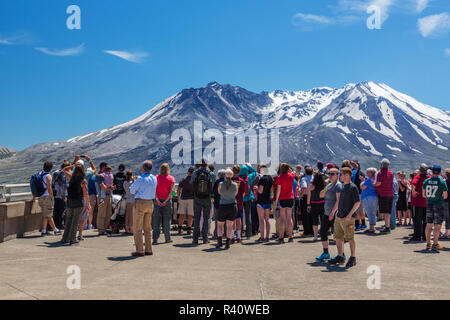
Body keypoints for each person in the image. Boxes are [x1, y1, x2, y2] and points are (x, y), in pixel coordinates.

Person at [329, 167, 360, 268]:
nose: (339, 176)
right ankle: (340, 255)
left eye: (341, 174)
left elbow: (357, 202)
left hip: (348, 218)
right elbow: (339, 201)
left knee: (350, 238)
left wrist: (350, 214)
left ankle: (353, 257)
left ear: (347, 175)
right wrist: (335, 212)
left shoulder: (353, 187)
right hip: (339, 217)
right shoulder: (342, 186)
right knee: (338, 237)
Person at [129, 160, 157, 257]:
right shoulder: (154, 178)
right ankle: (149, 249)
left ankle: (140, 250)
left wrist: (134, 181)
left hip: (140, 202)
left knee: (138, 227)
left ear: (143, 168)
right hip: (150, 202)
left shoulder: (140, 179)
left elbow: (132, 191)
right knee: (147, 227)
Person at [316, 167, 342, 261]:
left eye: (332, 174)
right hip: (326, 213)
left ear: (337, 175)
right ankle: (325, 253)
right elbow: (321, 195)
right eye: (329, 174)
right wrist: (326, 188)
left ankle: (341, 254)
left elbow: (338, 201)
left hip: (334, 214)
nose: (330, 176)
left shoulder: (338, 186)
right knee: (323, 232)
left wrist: (333, 212)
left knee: (337, 236)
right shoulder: (330, 185)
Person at [61, 166, 91, 245]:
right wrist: (88, 204)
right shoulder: (83, 181)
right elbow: (85, 193)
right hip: (78, 202)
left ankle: (65, 238)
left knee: (69, 221)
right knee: (75, 221)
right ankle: (72, 239)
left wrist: (73, 164)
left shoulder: (71, 178)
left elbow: (63, 169)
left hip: (70, 202)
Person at [422, 165, 448, 251]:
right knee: (438, 225)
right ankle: (435, 243)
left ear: (432, 172)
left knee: (429, 224)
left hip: (429, 203)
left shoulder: (426, 181)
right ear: (440, 172)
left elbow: (423, 195)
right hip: (438, 204)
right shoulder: (441, 182)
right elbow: (445, 196)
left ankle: (428, 243)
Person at [190, 159, 215, 245]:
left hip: (197, 197)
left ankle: (195, 238)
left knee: (196, 218)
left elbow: (191, 183)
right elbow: (214, 185)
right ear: (206, 165)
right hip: (207, 198)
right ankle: (205, 238)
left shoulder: (195, 173)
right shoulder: (210, 173)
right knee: (206, 218)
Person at [34, 161, 61, 236]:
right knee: (49, 214)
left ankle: (44, 230)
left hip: (40, 197)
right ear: (50, 168)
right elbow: (49, 188)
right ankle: (55, 229)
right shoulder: (48, 176)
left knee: (46, 214)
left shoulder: (40, 174)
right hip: (47, 196)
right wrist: (52, 197)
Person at [153, 163, 176, 244]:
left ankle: (155, 239)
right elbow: (172, 191)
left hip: (157, 201)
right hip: (167, 202)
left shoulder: (156, 178)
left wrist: (157, 200)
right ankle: (167, 238)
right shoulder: (171, 179)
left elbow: (154, 190)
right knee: (167, 219)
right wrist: (166, 201)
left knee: (156, 220)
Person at [216, 169, 238, 249]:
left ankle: (219, 242)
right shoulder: (235, 185)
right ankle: (227, 243)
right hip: (232, 206)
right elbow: (235, 194)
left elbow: (219, 193)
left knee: (220, 226)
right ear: (232, 176)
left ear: (225, 176)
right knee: (229, 226)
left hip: (223, 206)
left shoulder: (221, 184)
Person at [274, 163, 295, 243]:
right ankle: (290, 236)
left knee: (282, 219)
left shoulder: (279, 177)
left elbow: (278, 190)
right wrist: (289, 169)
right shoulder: (292, 176)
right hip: (290, 198)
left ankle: (281, 236)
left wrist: (276, 200)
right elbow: (293, 172)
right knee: (289, 218)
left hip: (282, 198)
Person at [410, 164, 431, 241]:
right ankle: (425, 236)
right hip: (427, 201)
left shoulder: (418, 177)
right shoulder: (429, 177)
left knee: (417, 220)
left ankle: (417, 236)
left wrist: (413, 192)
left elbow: (413, 184)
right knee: (426, 220)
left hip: (418, 201)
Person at [374, 158, 394, 234]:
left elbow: (378, 183)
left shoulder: (380, 173)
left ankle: (387, 227)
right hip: (390, 194)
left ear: (382, 165)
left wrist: (373, 184)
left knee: (385, 212)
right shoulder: (391, 173)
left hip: (383, 194)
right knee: (388, 212)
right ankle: (387, 225)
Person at [255, 164, 273, 243]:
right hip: (268, 200)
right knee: (267, 219)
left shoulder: (262, 179)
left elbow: (260, 191)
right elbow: (271, 189)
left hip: (261, 201)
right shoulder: (270, 178)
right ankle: (267, 237)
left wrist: (256, 188)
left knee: (261, 220)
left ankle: (262, 237)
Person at [96, 165, 115, 235]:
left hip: (108, 195)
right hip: (102, 196)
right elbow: (104, 187)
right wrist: (111, 187)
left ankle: (104, 229)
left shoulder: (101, 175)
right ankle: (101, 230)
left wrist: (110, 188)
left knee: (108, 213)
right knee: (102, 213)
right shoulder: (100, 177)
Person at [307, 172, 326, 241]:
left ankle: (315, 236)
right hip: (323, 203)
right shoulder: (324, 185)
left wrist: (308, 204)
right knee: (322, 220)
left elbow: (309, 196)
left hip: (314, 204)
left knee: (315, 221)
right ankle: (323, 234)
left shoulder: (312, 186)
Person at [52, 160, 70, 230]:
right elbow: (62, 186)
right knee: (61, 211)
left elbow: (54, 184)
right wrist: (64, 196)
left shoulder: (56, 173)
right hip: (61, 196)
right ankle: (60, 225)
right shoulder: (62, 174)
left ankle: (56, 225)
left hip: (55, 195)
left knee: (56, 211)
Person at [240, 164, 257, 240]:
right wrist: (249, 166)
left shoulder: (238, 178)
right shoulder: (249, 177)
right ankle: (248, 234)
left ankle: (239, 233)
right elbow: (255, 172)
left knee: (240, 216)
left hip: (240, 198)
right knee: (248, 215)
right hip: (249, 198)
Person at [177, 167, 195, 235]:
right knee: (190, 215)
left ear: (188, 172)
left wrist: (178, 197)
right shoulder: (194, 180)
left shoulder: (183, 179)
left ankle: (180, 228)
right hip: (191, 199)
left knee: (182, 214)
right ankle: (189, 229)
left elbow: (178, 189)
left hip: (183, 198)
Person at [360, 168, 378, 234]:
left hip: (368, 197)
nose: (366, 173)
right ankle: (371, 227)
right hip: (374, 197)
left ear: (371, 173)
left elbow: (362, 187)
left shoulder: (368, 180)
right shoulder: (375, 179)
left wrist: (362, 181)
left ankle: (372, 228)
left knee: (369, 212)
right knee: (372, 212)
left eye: (368, 172)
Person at [232, 165, 247, 244]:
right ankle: (238, 236)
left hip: (231, 202)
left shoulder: (230, 180)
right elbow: (244, 193)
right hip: (239, 202)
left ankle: (232, 236)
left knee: (232, 220)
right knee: (239, 219)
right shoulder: (242, 181)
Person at [300, 166, 314, 236]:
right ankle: (312, 231)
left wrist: (301, 195)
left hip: (305, 197)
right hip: (314, 197)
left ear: (305, 172)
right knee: (312, 214)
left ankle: (306, 231)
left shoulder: (304, 178)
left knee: (305, 215)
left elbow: (304, 187)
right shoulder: (314, 178)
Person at [212, 169, 226, 238]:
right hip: (225, 203)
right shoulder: (227, 182)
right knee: (226, 220)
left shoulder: (217, 182)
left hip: (217, 203)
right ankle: (226, 233)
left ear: (219, 175)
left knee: (217, 220)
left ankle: (216, 234)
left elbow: (213, 192)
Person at [123, 170, 136, 234]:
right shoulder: (132, 183)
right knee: (131, 216)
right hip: (132, 200)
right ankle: (131, 229)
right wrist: (134, 181)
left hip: (127, 200)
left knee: (127, 215)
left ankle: (127, 227)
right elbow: (133, 191)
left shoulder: (125, 183)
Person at [444, 169, 450, 239]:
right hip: (446, 200)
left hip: (446, 201)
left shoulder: (444, 182)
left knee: (447, 217)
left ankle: (447, 232)